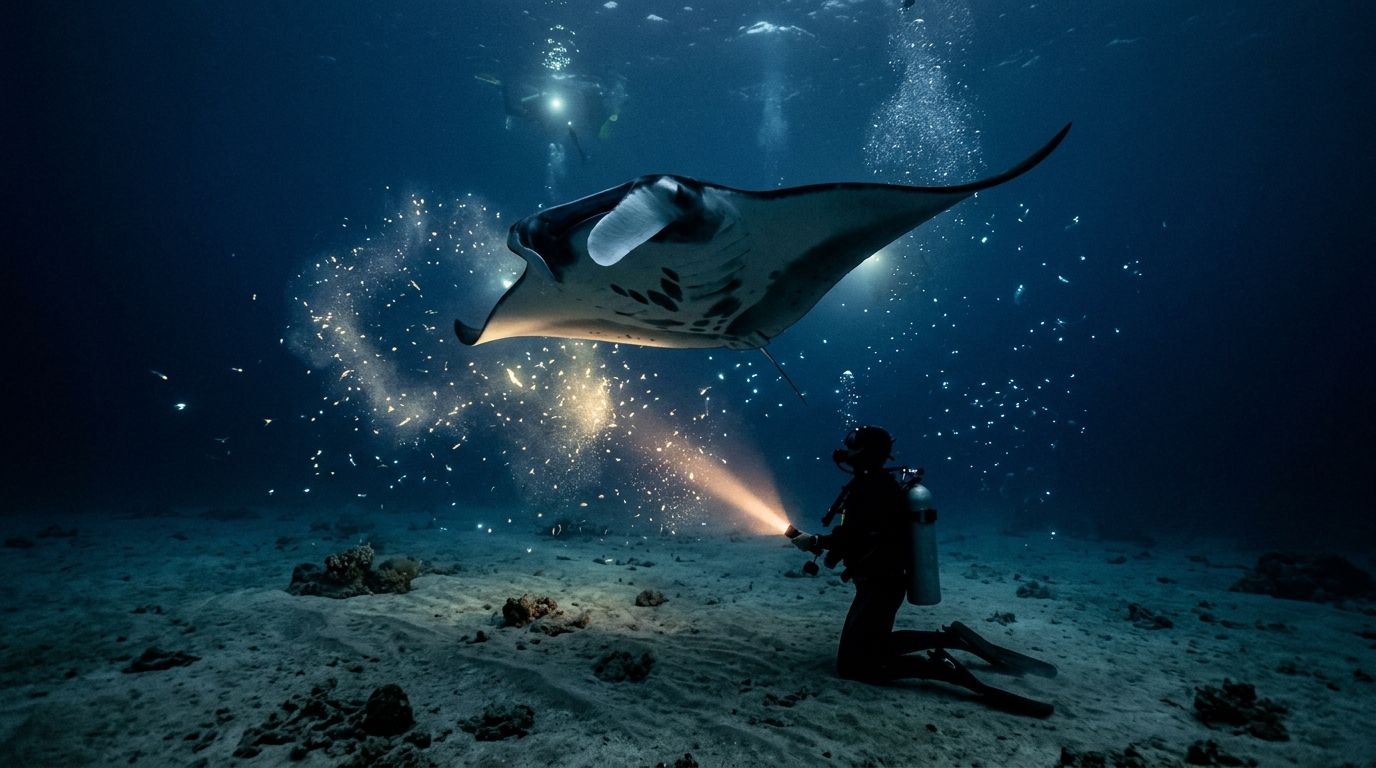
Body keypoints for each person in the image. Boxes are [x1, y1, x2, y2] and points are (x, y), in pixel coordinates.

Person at [788, 426, 1057, 717]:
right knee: (873, 645)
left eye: (853, 444)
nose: (845, 448)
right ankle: (951, 640)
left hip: (882, 584)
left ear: (867, 452)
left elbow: (857, 536)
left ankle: (942, 668)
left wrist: (816, 541)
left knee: (855, 666)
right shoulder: (871, 484)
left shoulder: (873, 488)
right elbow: (860, 534)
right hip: (879, 581)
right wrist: (825, 545)